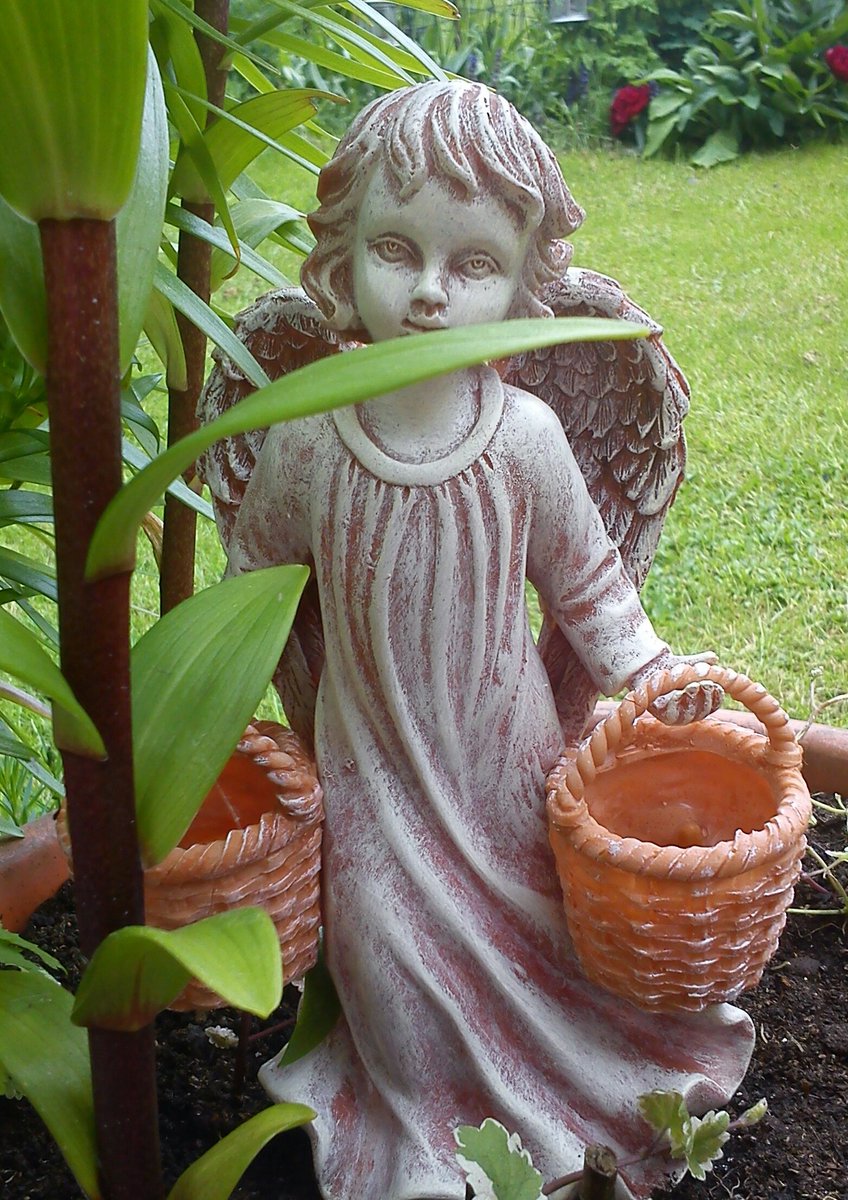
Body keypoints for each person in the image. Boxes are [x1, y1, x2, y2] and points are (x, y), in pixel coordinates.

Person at [225, 81, 754, 1200]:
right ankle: (423, 1139)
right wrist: (229, 731)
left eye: (470, 265)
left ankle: (571, 1104)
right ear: (341, 253)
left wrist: (650, 673)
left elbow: (590, 589)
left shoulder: (525, 439)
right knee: (386, 958)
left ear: (522, 286)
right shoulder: (307, 440)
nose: (427, 291)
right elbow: (248, 601)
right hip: (373, 775)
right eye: (395, 249)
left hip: (504, 762)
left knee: (554, 933)